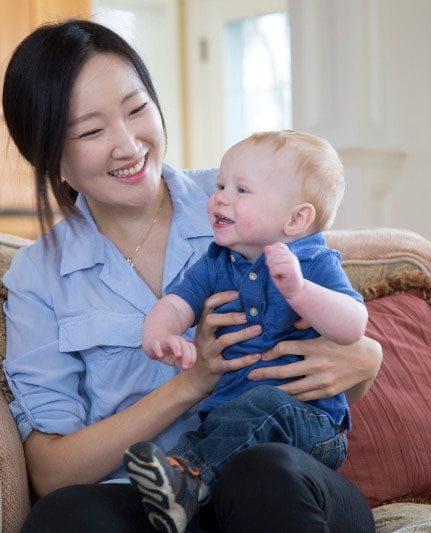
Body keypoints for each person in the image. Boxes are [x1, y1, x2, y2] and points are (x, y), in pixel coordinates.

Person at [1, 19, 381, 532]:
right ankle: (184, 482)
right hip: (147, 502)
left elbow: (338, 328)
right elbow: (53, 472)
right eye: (91, 131)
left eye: (137, 110)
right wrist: (192, 383)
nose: (128, 145)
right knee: (63, 516)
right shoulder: (38, 276)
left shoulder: (247, 200)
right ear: (51, 159)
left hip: (279, 483)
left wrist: (367, 359)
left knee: (263, 474)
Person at [124, 131, 367, 532]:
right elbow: (176, 304)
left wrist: (300, 292)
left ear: (296, 219)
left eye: (241, 190)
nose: (220, 198)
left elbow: (353, 325)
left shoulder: (314, 262)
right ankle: (179, 484)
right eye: (220, 185)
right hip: (233, 423)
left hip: (308, 423)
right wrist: (160, 335)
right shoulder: (217, 261)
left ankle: (191, 482)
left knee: (265, 405)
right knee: (209, 430)